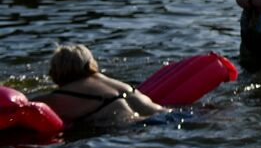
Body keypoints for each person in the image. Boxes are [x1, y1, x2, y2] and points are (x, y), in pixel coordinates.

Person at [34, 44, 164, 129]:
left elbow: (27, 107)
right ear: (91, 64)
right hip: (165, 117)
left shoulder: (60, 97)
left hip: (132, 128)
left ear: (57, 70)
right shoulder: (113, 83)